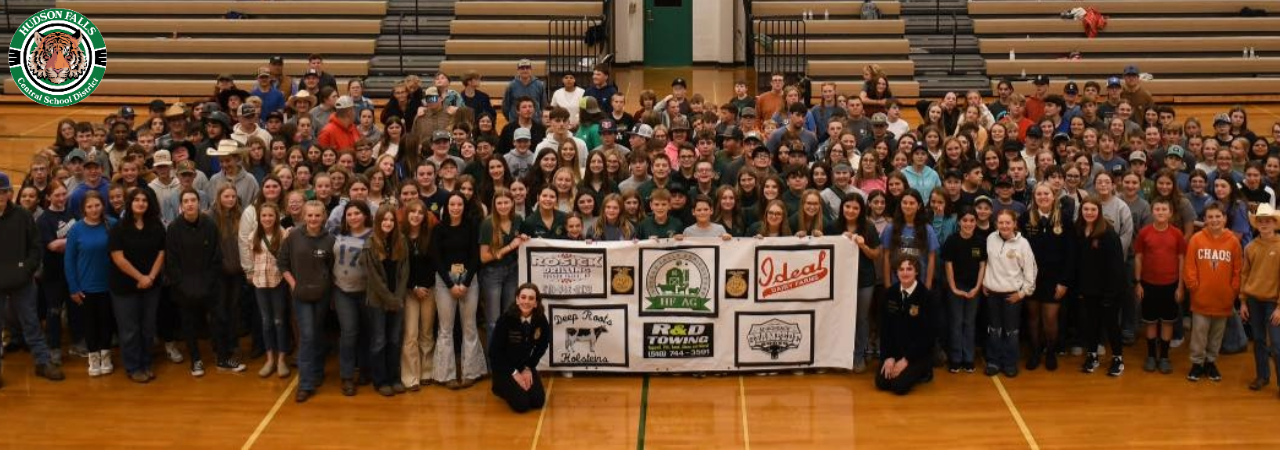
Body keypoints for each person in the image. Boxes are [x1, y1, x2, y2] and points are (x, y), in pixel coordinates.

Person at [0, 171, 65, 386]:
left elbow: (36, 247)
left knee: (31, 323)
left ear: (9, 193)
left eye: (3, 192)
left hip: (22, 281)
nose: (0, 196)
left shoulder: (23, 216)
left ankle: (42, 362)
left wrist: (26, 271)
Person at [277, 200, 335, 403]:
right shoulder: (293, 237)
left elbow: (331, 267)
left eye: (317, 215)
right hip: (301, 296)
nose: (313, 219)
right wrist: (294, 285)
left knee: (317, 334)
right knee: (307, 336)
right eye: (309, 215)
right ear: (303, 216)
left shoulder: (330, 240)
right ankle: (305, 384)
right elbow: (282, 263)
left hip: (322, 295)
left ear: (324, 217)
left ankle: (317, 372)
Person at [108, 188, 166, 383]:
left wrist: (150, 277)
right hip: (124, 286)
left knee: (148, 328)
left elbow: (161, 252)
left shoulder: (156, 225)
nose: (141, 203)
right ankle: (133, 367)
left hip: (151, 284)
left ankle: (146, 363)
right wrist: (140, 277)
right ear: (130, 203)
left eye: (144, 200)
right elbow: (118, 258)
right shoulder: (118, 227)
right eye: (137, 200)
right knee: (130, 330)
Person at [432, 193, 488, 388]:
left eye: (459, 204)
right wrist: (450, 285)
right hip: (444, 281)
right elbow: (436, 259)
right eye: (452, 204)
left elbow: (475, 257)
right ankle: (446, 375)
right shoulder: (438, 229)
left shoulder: (472, 227)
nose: (456, 208)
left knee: (470, 327)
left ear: (464, 207)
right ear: (446, 207)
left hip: (468, 280)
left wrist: (465, 283)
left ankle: (471, 371)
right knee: (445, 329)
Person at [1183, 202, 1242, 382]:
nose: (1214, 220)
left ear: (1224, 219)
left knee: (1217, 333)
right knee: (1199, 332)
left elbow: (1237, 269)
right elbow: (1189, 265)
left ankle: (1211, 362)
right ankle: (1197, 363)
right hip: (1201, 296)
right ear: (1204, 219)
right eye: (1210, 217)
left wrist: (1233, 290)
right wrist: (1193, 285)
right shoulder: (1196, 239)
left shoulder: (1233, 241)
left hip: (1223, 297)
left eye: (1218, 216)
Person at [1019, 184, 1076, 371]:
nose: (1043, 197)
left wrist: (1064, 282)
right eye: (1039, 194)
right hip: (1031, 278)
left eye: (1047, 193)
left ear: (1054, 196)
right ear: (1034, 197)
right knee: (1033, 317)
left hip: (1055, 279)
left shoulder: (1065, 220)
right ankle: (1035, 351)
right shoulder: (1026, 218)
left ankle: (1051, 352)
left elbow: (1071, 254)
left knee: (1050, 319)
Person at [827, 195, 882, 373]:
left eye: (855, 208)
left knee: (862, 318)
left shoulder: (869, 227)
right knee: (840, 318)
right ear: (842, 207)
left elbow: (876, 254)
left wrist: (863, 246)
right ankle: (839, 357)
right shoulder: (833, 226)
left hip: (864, 280)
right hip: (839, 281)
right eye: (847, 206)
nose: (851, 211)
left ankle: (858, 356)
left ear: (861, 210)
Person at [65, 191, 116, 377]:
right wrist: (74, 287)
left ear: (103, 205)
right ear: (83, 209)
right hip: (85, 287)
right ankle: (93, 356)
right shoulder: (76, 229)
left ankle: (106, 355)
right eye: (89, 206)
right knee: (90, 324)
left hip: (108, 284)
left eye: (97, 205)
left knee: (106, 322)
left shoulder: (112, 224)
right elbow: (69, 260)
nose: (94, 209)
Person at [982, 209, 1037, 378]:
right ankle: (993, 361)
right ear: (996, 224)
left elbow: (1031, 270)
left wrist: (1022, 293)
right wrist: (985, 282)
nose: (1004, 226)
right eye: (1001, 222)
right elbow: (986, 263)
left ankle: (1010, 362)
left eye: (1008, 222)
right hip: (992, 294)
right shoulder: (991, 238)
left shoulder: (1023, 244)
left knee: (1011, 331)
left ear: (1015, 224)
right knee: (994, 329)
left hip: (1012, 295)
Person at [362, 205, 410, 396]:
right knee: (379, 341)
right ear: (377, 222)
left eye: (391, 220)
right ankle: (380, 380)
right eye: (384, 220)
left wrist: (397, 297)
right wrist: (390, 299)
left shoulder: (402, 241)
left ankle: (394, 377)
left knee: (394, 340)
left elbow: (405, 270)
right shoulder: (370, 243)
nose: (388, 223)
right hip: (378, 301)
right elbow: (374, 278)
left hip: (397, 300)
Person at [1133, 198, 1186, 375]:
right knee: (1150, 322)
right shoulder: (1144, 233)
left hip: (1170, 284)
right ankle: (1150, 356)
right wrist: (1138, 282)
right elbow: (1139, 257)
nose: (1161, 212)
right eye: (1157, 209)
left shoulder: (1177, 234)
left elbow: (1181, 259)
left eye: (1164, 209)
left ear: (1170, 213)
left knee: (1167, 322)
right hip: (1148, 284)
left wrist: (1180, 286)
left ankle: (1164, 356)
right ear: (1152, 212)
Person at [1076, 196, 1127, 376]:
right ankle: (1092, 355)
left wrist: (1111, 294)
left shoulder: (1109, 234)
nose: (1089, 213)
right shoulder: (1079, 231)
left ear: (1099, 212)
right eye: (1086, 209)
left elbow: (1116, 267)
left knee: (1111, 325)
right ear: (1081, 211)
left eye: (1093, 210)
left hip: (1109, 291)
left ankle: (1118, 358)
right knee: (1091, 324)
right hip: (1089, 290)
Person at [876, 257, 936, 395]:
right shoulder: (889, 294)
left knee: (898, 387)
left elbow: (927, 336)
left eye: (909, 269)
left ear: (916, 272)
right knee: (882, 382)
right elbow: (885, 329)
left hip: (917, 354)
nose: (905, 273)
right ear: (896, 272)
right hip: (896, 352)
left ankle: (925, 371)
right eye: (901, 269)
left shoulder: (925, 296)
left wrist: (906, 360)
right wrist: (889, 357)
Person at [489, 283, 551, 412]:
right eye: (523, 297)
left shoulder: (540, 319)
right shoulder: (506, 319)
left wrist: (528, 368)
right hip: (505, 368)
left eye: (531, 298)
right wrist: (514, 373)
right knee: (522, 405)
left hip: (524, 365)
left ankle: (520, 385)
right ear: (517, 299)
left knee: (537, 401)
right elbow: (494, 352)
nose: (526, 301)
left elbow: (543, 344)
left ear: (536, 302)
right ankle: (499, 387)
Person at [333, 200, 373, 396]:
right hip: (342, 291)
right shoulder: (337, 235)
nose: (353, 217)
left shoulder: (374, 236)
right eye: (349, 214)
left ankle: (365, 370)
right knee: (349, 332)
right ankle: (347, 376)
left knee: (367, 332)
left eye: (357, 213)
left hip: (367, 291)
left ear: (365, 215)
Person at [1240, 203, 1280, 393]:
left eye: (1267, 221)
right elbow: (1244, 275)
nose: (1264, 224)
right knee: (1258, 340)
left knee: (1277, 343)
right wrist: (1243, 301)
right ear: (1256, 224)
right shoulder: (1250, 247)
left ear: (1274, 223)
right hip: (1254, 300)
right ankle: (1262, 376)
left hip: (1274, 303)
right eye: (1260, 221)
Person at [247, 203, 290, 379]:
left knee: (279, 320)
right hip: (260, 283)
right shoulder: (253, 236)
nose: (267, 219)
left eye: (270, 215)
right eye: (264, 215)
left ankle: (281, 359)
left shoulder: (283, 235)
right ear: (259, 217)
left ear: (276, 217)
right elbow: (252, 259)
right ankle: (269, 358)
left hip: (278, 282)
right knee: (266, 321)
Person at [942, 208, 986, 374]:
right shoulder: (952, 241)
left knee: (969, 322)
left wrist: (977, 287)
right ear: (959, 222)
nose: (968, 223)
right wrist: (953, 288)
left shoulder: (980, 242)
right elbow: (948, 265)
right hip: (956, 287)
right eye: (965, 220)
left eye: (972, 220)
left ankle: (968, 358)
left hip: (974, 288)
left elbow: (983, 265)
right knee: (956, 322)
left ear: (976, 222)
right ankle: (956, 358)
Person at [480, 188, 527, 342]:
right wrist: (509, 247)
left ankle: (507, 359)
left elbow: (521, 240)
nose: (503, 206)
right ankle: (494, 362)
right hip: (492, 273)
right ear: (494, 205)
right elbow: (484, 257)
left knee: (510, 318)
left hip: (513, 271)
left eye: (506, 202)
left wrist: (525, 238)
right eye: (499, 203)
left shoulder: (518, 219)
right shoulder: (488, 224)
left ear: (513, 203)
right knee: (493, 321)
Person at [400, 199, 437, 392]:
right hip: (409, 291)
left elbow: (435, 263)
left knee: (427, 332)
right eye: (412, 212)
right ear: (406, 215)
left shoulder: (430, 235)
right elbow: (399, 269)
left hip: (430, 289)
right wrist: (413, 287)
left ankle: (426, 372)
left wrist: (426, 286)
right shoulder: (400, 237)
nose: (416, 215)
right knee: (411, 334)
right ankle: (410, 376)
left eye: (420, 212)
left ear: (425, 216)